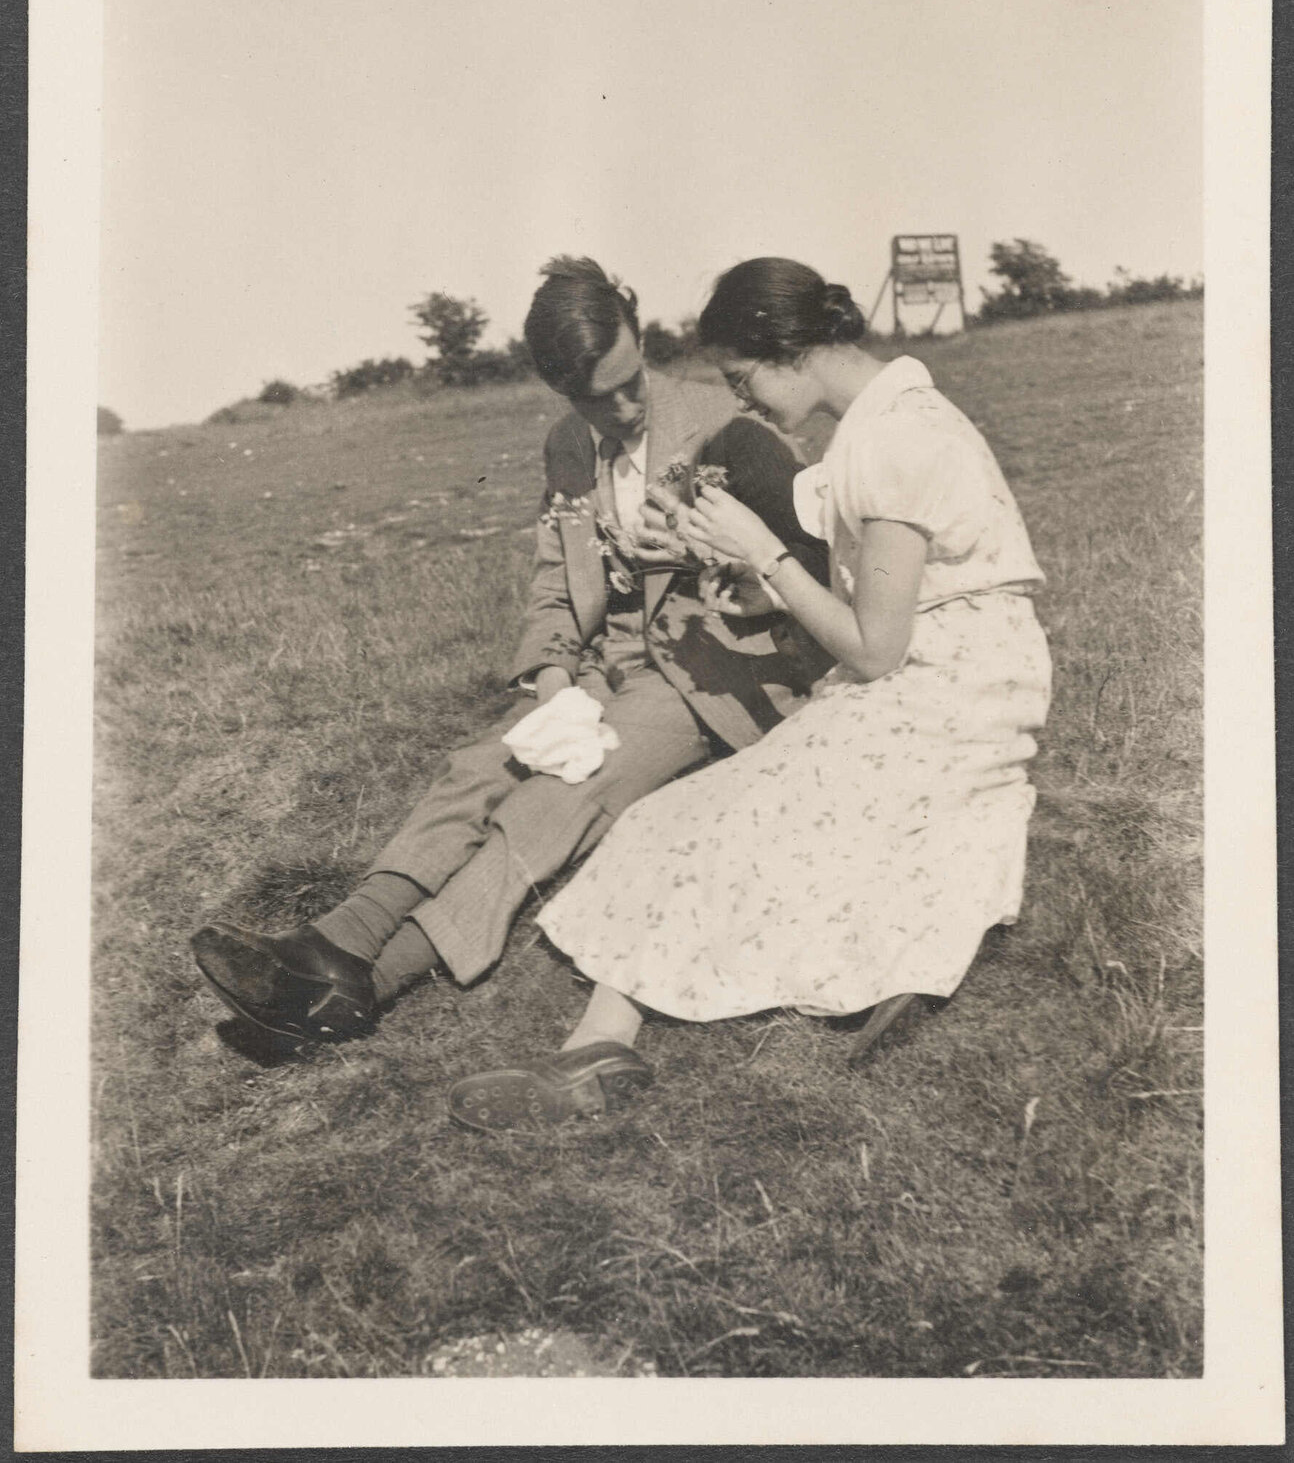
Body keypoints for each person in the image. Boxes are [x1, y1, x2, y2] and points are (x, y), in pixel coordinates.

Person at [448, 257, 1052, 1131]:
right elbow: (885, 606)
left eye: (742, 379)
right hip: (946, 668)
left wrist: (763, 553)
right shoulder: (887, 417)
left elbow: (877, 649)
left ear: (786, 350)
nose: (747, 402)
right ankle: (604, 1038)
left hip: (951, 688)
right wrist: (767, 590)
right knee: (715, 813)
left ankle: (604, 1038)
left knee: (737, 817)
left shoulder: (895, 440)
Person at [191, 257, 831, 1046]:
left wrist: (728, 568)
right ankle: (335, 946)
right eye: (598, 397)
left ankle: (370, 986)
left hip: (708, 672)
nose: (626, 406)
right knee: (484, 764)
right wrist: (557, 683)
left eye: (634, 379)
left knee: (559, 794)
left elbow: (811, 568)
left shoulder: (728, 422)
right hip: (609, 665)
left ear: (637, 332)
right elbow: (555, 586)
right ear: (562, 392)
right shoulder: (567, 447)